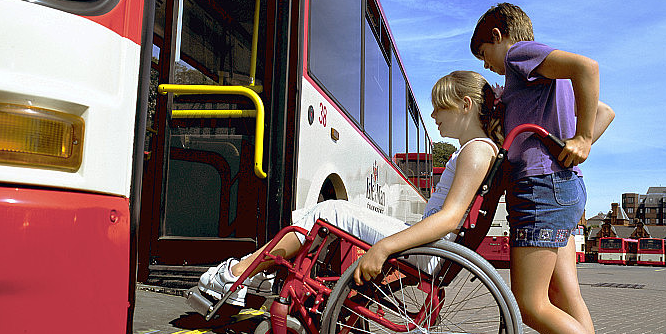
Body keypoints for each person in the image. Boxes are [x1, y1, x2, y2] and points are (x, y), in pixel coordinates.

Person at [471, 2, 659, 334]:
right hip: (563, 188)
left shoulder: (520, 57)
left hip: (540, 190)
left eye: (484, 54)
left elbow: (587, 67)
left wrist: (581, 140)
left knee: (531, 303)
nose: (488, 67)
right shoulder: (545, 84)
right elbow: (606, 110)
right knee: (563, 293)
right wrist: (575, 142)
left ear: (498, 35)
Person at [198, 70, 503, 304]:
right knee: (330, 212)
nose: (433, 115)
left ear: (465, 105)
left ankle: (236, 276)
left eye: (440, 106)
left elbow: (450, 218)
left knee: (328, 212)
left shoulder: (476, 150)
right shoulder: (478, 150)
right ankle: (251, 272)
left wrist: (384, 247)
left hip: (429, 252)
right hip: (434, 251)